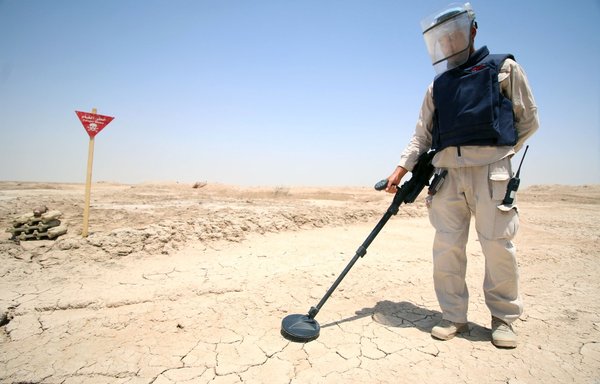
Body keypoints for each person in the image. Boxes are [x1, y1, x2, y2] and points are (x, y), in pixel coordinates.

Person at [385, 2, 539, 348]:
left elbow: (528, 121)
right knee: (447, 248)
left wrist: (495, 154)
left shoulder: (504, 69)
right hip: (447, 177)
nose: (450, 42)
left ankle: (503, 319)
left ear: (472, 31)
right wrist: (401, 168)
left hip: (492, 174)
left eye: (455, 34)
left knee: (498, 247)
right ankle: (454, 315)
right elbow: (421, 135)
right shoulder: (437, 86)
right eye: (444, 38)